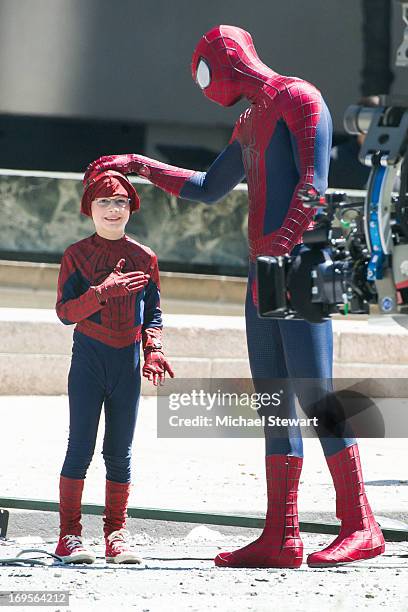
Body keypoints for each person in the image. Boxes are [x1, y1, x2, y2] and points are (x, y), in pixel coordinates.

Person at [84, 25, 385, 568]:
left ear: (226, 60)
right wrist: (138, 164)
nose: (203, 85)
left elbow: (314, 186)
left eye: (203, 72)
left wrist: (281, 254)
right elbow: (208, 186)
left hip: (293, 270)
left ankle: (361, 523)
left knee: (316, 396)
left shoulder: (298, 97)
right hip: (264, 275)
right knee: (275, 404)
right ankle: (282, 535)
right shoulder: (249, 119)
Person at [54, 170, 174, 564]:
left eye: (121, 201)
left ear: (131, 209)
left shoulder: (145, 257)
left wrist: (153, 347)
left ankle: (116, 534)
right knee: (79, 448)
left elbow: (153, 312)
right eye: (104, 201)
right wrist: (100, 293)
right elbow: (64, 313)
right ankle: (69, 535)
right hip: (89, 360)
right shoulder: (76, 254)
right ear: (89, 207)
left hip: (127, 363)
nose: (112, 209)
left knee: (119, 452)